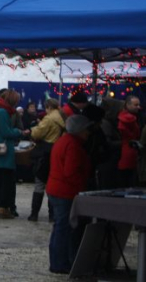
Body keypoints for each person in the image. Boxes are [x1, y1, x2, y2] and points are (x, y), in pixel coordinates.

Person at [46, 115, 93, 275]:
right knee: (63, 228)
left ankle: (57, 262)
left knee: (60, 227)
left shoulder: (63, 141)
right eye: (86, 129)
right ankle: (60, 264)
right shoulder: (73, 145)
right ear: (79, 130)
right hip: (64, 191)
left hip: (56, 188)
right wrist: (81, 186)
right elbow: (70, 172)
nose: (88, 133)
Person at [0, 89, 28, 219]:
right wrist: (19, 132)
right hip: (4, 153)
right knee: (6, 182)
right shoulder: (3, 112)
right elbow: (7, 132)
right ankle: (3, 209)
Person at [27, 98, 65, 222]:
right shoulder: (62, 117)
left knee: (40, 183)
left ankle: (34, 214)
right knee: (53, 183)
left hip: (46, 153)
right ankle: (52, 214)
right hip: (58, 151)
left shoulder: (49, 119)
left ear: (48, 107)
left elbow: (37, 133)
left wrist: (31, 130)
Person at [98, 98, 123, 189]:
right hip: (108, 161)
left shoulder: (110, 122)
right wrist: (123, 143)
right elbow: (107, 143)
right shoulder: (106, 124)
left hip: (110, 160)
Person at [118, 94, 142, 187]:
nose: (139, 107)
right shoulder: (131, 120)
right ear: (127, 105)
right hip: (131, 153)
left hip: (125, 154)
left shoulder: (121, 118)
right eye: (136, 105)